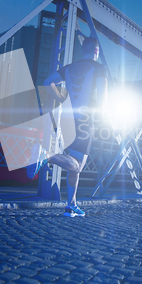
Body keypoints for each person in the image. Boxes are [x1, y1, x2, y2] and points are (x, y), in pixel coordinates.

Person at [27, 37, 108, 217]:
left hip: (67, 118)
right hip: (85, 119)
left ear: (84, 50)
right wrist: (101, 113)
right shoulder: (99, 69)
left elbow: (48, 82)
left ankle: (71, 205)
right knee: (78, 166)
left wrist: (62, 99)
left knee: (73, 162)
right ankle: (45, 155)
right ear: (96, 51)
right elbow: (103, 97)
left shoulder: (70, 67)